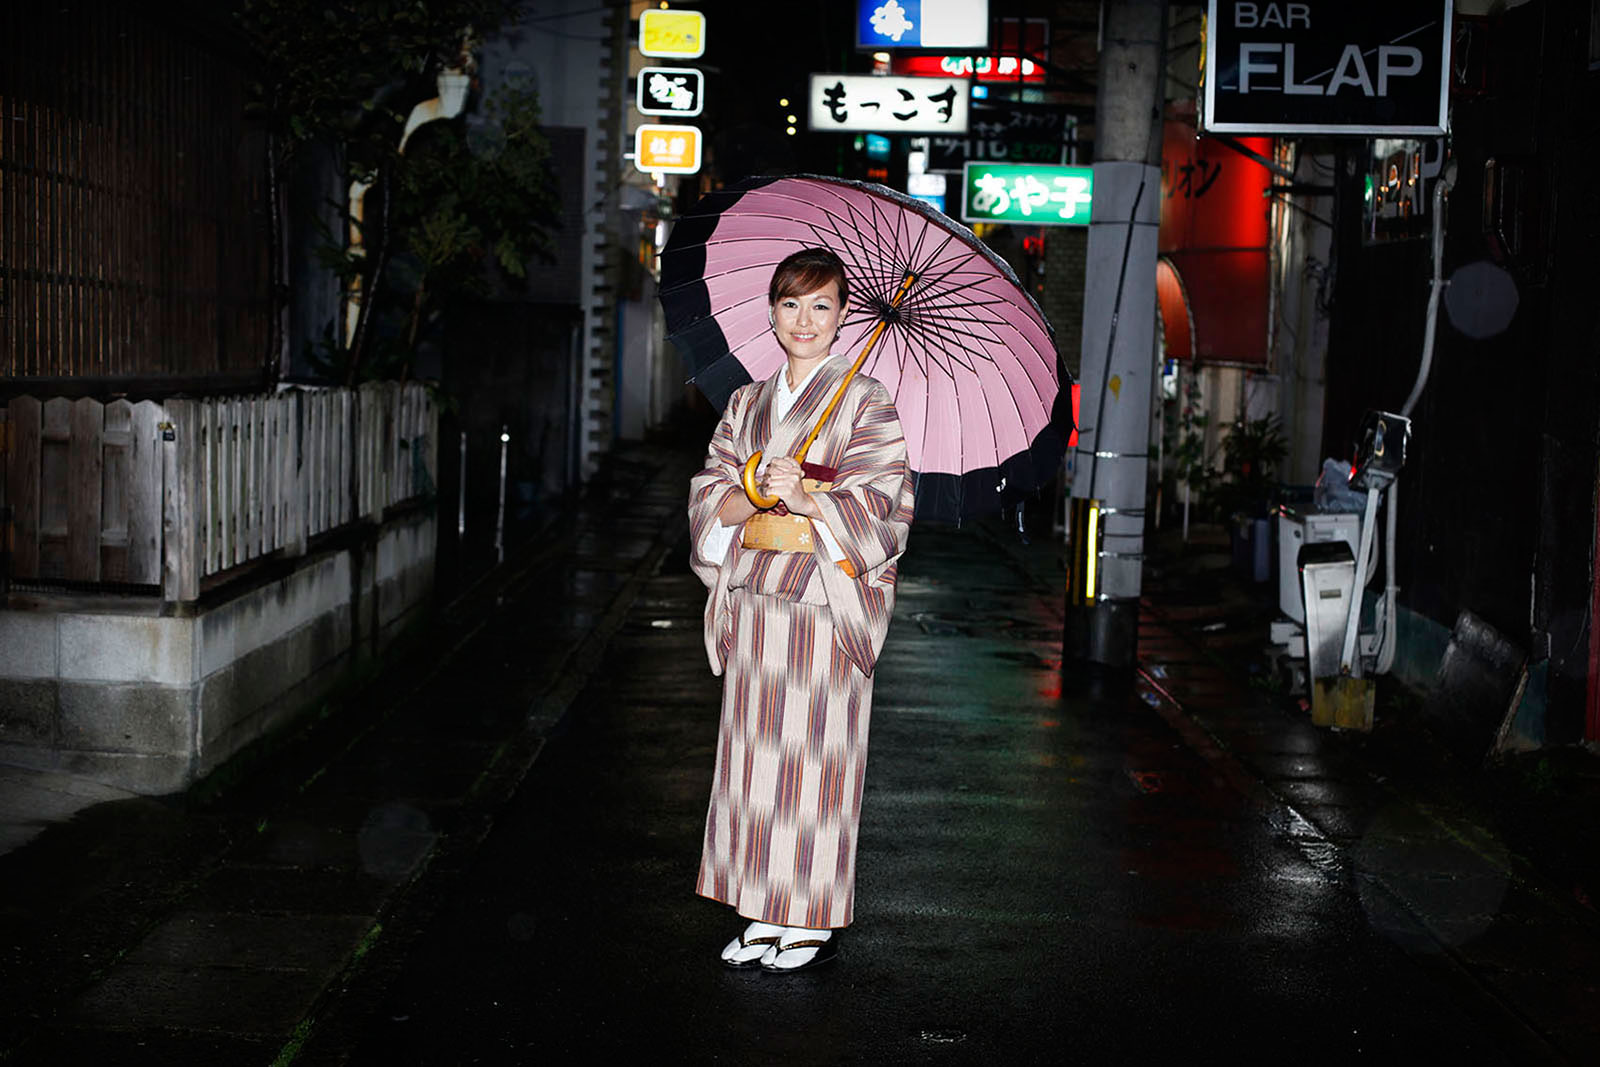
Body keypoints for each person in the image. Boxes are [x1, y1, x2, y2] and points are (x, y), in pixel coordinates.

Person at [688, 247, 915, 973]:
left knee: (815, 761)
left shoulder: (867, 400)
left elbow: (886, 507)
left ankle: (809, 917)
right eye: (791, 304)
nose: (804, 320)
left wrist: (809, 493)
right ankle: (759, 909)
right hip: (755, 598)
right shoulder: (748, 402)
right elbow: (709, 492)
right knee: (753, 763)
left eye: (821, 305)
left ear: (845, 316)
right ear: (772, 312)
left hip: (822, 603)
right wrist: (754, 489)